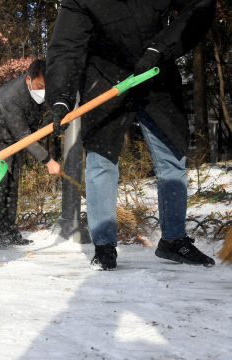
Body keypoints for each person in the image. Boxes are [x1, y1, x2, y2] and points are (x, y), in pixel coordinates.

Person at [46, 0, 216, 270]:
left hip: (156, 67)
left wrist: (161, 47)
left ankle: (173, 241)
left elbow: (199, 6)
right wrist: (60, 97)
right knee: (101, 160)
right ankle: (104, 247)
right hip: (104, 76)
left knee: (172, 155)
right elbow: (66, 46)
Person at [0, 59, 62, 249]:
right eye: (39, 86)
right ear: (29, 79)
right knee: (0, 184)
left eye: (46, 87)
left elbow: (33, 127)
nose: (43, 91)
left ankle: (11, 232)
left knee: (13, 185)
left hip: (10, 139)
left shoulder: (38, 93)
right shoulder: (12, 97)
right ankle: (1, 235)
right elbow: (24, 136)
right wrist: (47, 160)